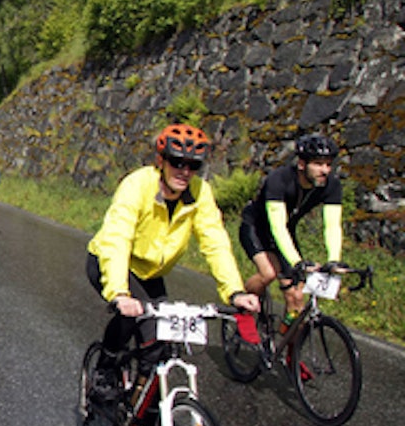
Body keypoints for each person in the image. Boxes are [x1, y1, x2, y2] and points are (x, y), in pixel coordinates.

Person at [85, 123, 260, 400]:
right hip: (112, 262)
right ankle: (105, 368)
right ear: (161, 161)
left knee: (160, 345)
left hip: (151, 273)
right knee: (132, 318)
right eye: (177, 162)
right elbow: (117, 239)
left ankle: (146, 407)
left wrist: (235, 291)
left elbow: (215, 242)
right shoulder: (137, 185)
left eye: (193, 165)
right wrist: (119, 293)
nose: (185, 171)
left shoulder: (200, 193)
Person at [237, 132, 344, 344]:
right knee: (269, 273)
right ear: (302, 164)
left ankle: (290, 353)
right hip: (256, 228)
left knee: (296, 297)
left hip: (286, 232)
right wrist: (297, 262)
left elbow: (332, 225)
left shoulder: (331, 185)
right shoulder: (280, 179)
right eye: (319, 164)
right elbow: (276, 226)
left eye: (328, 164)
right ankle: (243, 308)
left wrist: (334, 260)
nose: (325, 170)